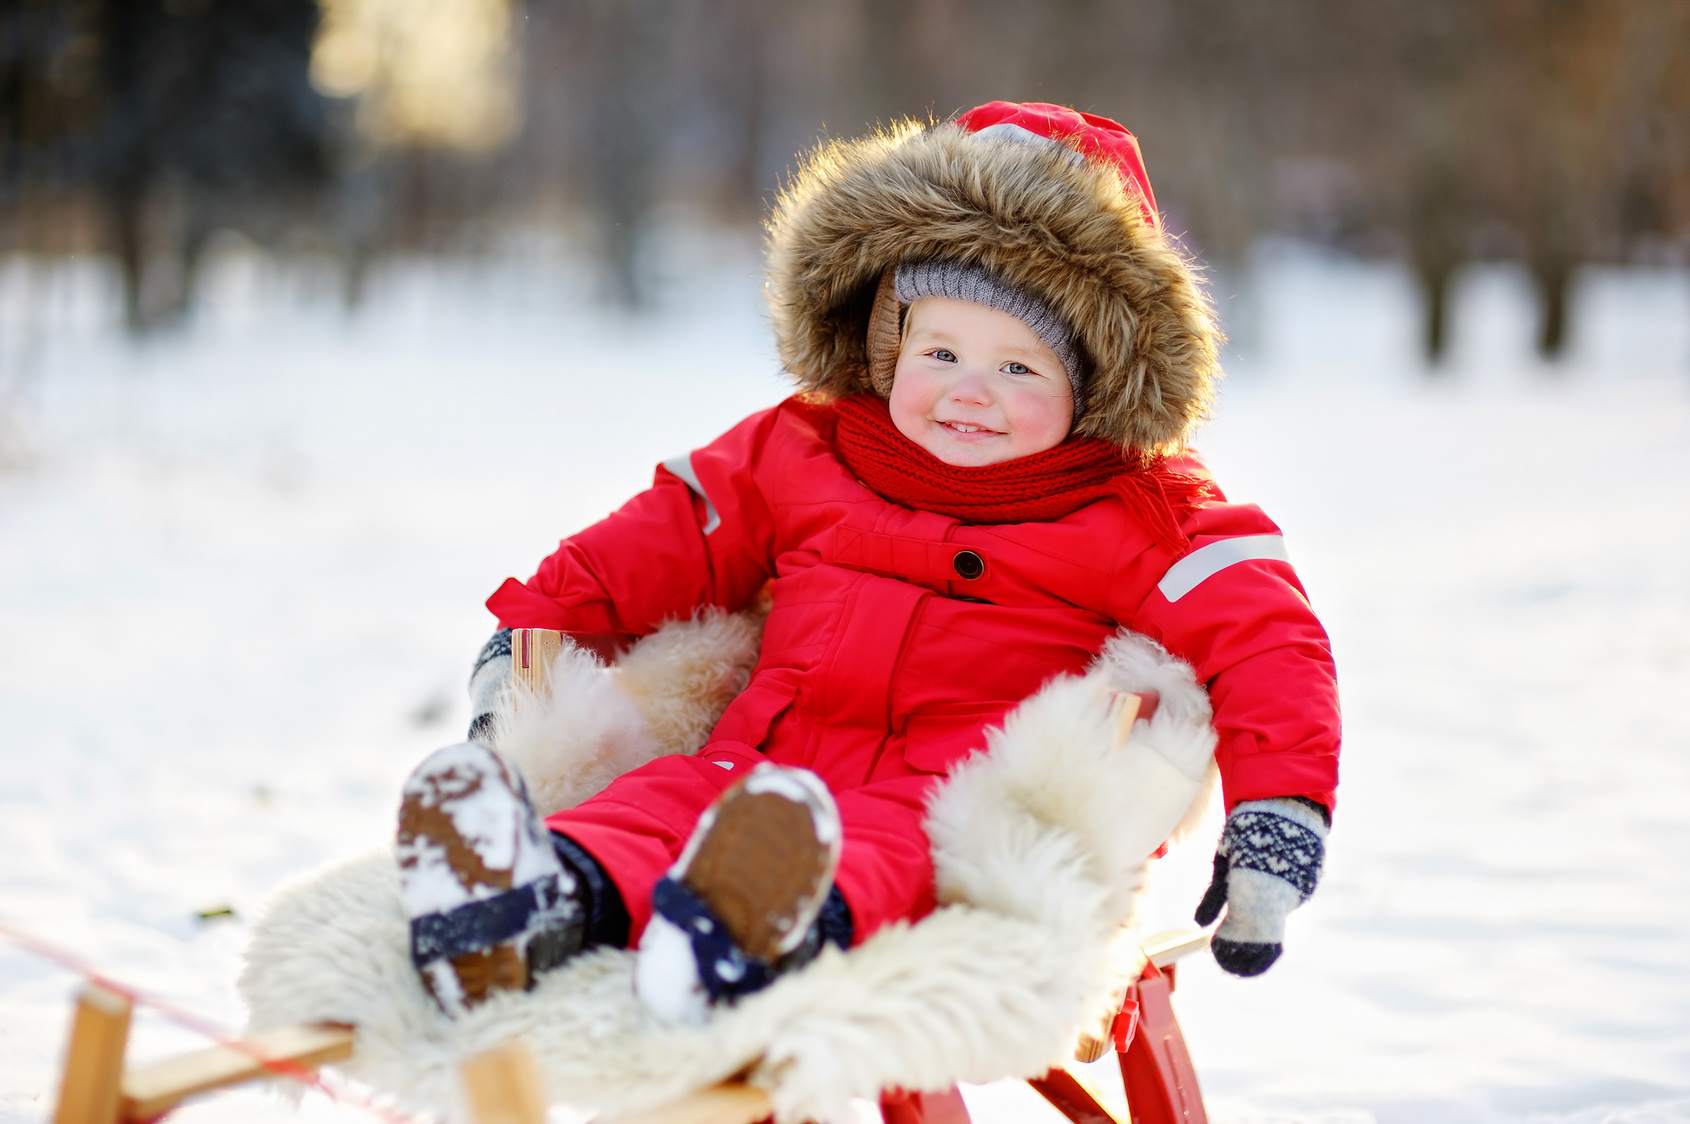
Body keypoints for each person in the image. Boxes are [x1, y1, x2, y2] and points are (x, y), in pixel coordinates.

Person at [395, 101, 1341, 1024]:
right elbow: (666, 535)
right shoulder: (805, 448)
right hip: (758, 762)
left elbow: (1267, 640)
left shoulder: (1141, 509)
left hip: (944, 792)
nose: (970, 393)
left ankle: (750, 940)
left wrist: (1276, 821)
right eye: (941, 351)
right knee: (652, 807)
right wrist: (537, 631)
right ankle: (528, 900)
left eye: (1020, 368)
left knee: (888, 852)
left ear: (1092, 385)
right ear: (887, 351)